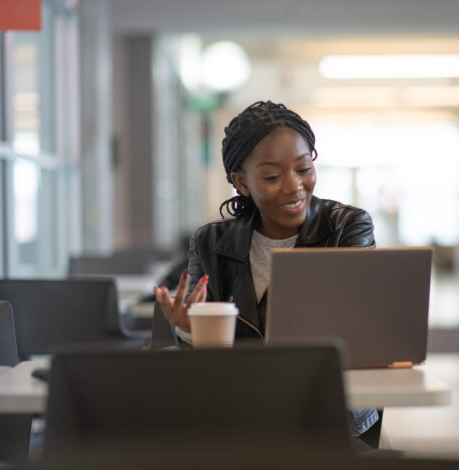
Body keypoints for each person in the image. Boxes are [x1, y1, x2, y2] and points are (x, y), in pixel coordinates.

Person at [152, 100, 380, 446]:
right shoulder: (210, 243)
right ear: (241, 182)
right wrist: (187, 329)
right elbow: (204, 368)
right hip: (238, 419)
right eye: (272, 176)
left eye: (303, 169)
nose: (293, 187)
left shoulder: (347, 226)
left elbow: (360, 325)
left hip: (327, 418)